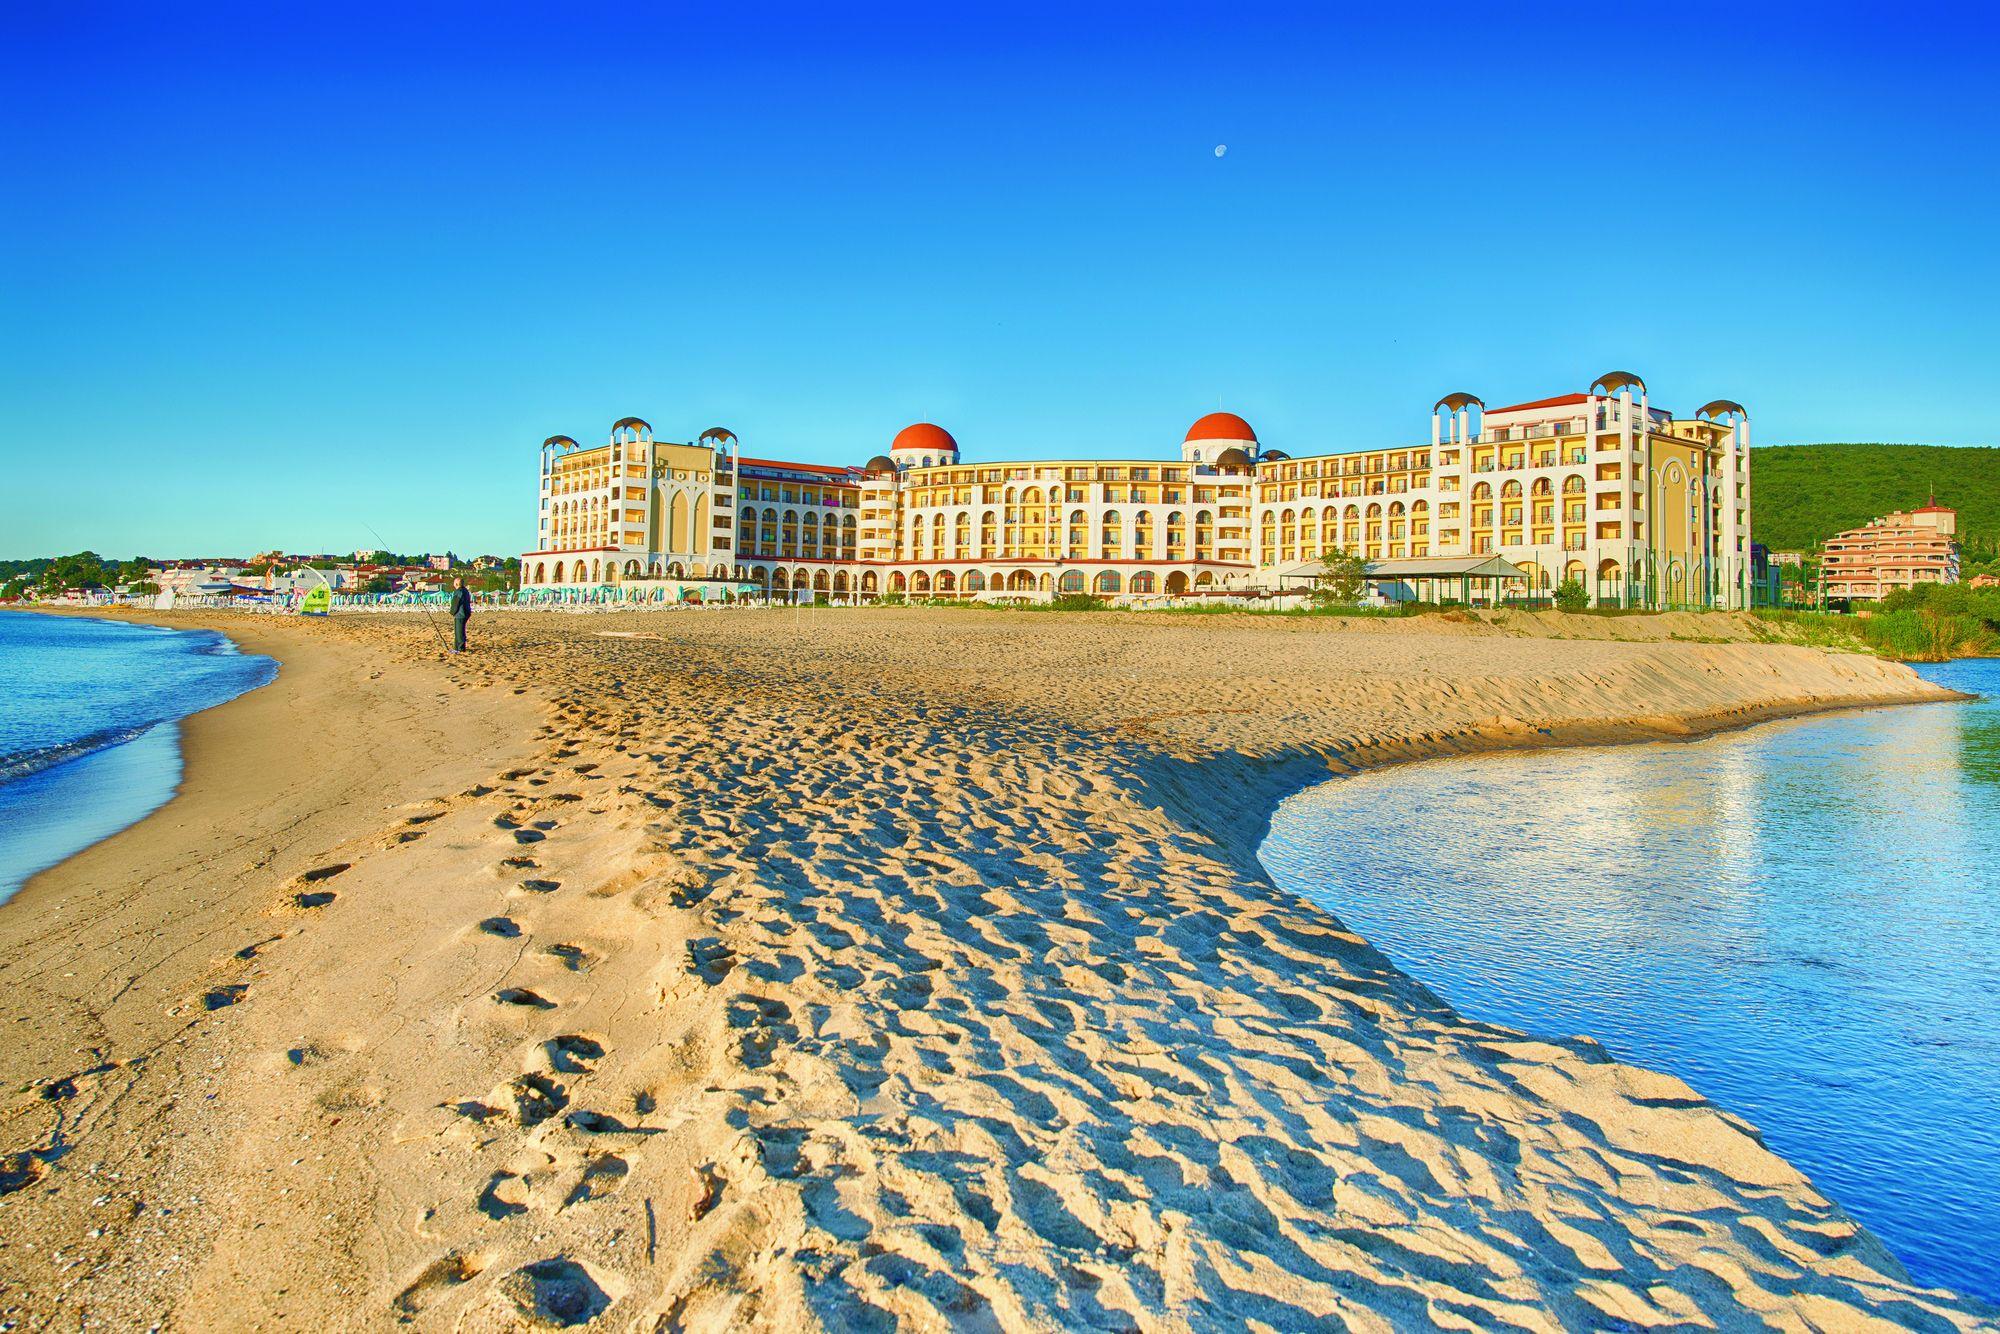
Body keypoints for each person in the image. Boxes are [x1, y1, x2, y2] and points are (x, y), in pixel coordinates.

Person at [450, 578, 472, 652]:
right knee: (458, 631)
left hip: (460, 614)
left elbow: (455, 603)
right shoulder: (465, 591)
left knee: (459, 632)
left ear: (456, 584)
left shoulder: (459, 591)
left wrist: (452, 612)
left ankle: (461, 648)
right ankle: (456, 648)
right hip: (465, 613)